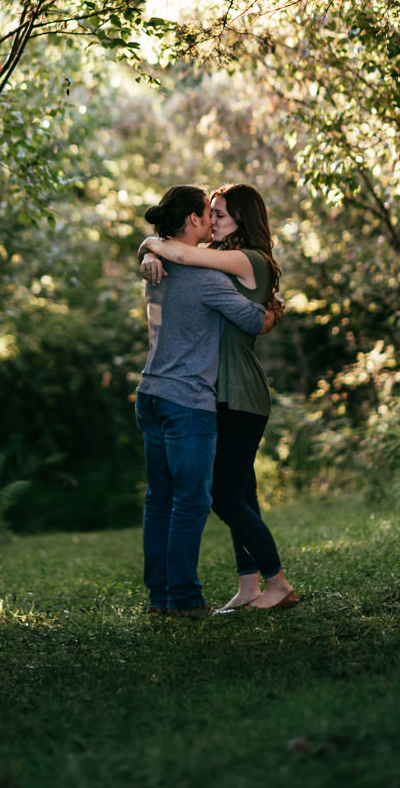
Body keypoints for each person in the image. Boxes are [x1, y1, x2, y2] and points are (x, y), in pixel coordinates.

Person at [141, 183, 299, 612]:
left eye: (221, 214)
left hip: (237, 390)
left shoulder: (243, 259)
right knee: (239, 493)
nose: (212, 220)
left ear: (243, 220)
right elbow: (182, 259)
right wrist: (151, 252)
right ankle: (249, 586)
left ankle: (278, 583)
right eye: (209, 213)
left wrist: (151, 244)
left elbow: (186, 255)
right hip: (214, 391)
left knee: (225, 498)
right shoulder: (219, 264)